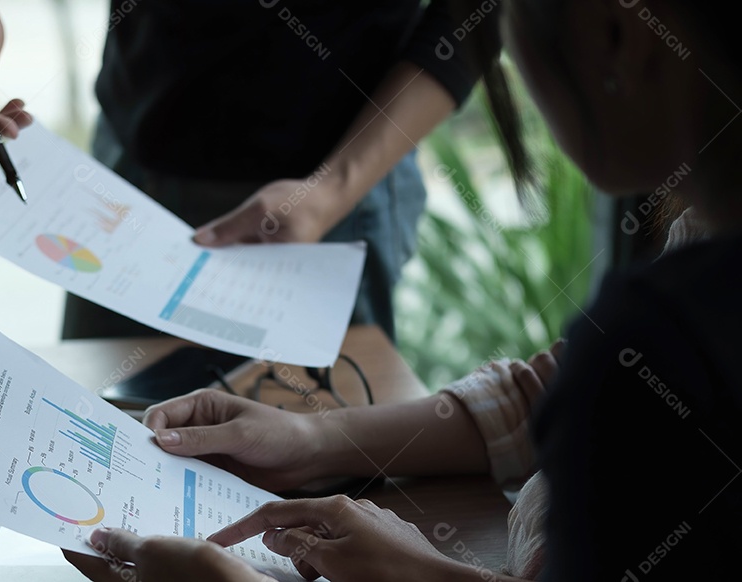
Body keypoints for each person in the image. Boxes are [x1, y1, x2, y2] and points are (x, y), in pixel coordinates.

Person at [58, 0, 742, 580]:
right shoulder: (693, 257)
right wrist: (311, 442)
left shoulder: (670, 329)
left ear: (614, 35)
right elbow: (538, 395)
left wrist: (423, 573)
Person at [0, 0, 524, 341]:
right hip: (125, 165)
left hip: (326, 191)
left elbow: (477, 12)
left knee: (315, 502)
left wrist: (333, 188)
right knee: (105, 454)